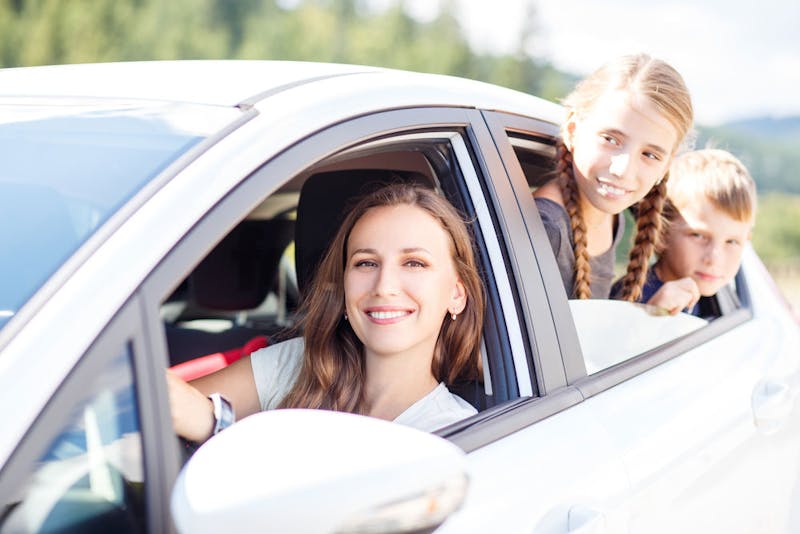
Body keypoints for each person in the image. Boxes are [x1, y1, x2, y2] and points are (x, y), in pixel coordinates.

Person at [167, 183, 486, 443]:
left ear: (456, 294)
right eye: (366, 263)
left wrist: (217, 426)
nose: (384, 286)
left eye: (414, 263)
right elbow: (166, 410)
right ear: (344, 284)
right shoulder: (298, 363)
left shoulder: (454, 434)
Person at [533, 53, 694, 301]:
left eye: (650, 155)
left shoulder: (611, 217)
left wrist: (652, 310)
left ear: (666, 166)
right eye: (610, 140)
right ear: (573, 130)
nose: (623, 170)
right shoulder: (547, 228)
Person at [611, 148, 757, 315]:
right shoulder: (633, 298)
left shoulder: (702, 293)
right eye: (698, 236)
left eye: (732, 241)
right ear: (661, 234)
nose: (714, 258)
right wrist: (652, 316)